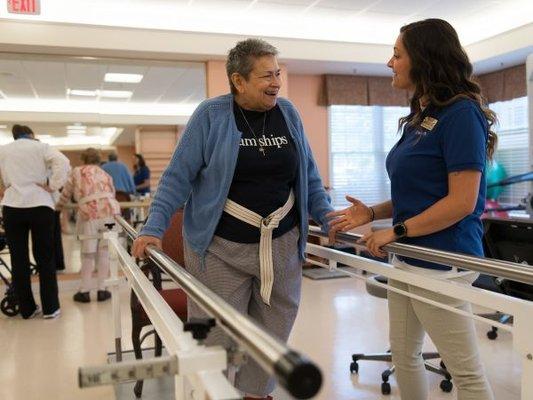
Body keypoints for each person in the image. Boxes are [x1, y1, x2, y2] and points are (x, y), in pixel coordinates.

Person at [132, 38, 333, 400]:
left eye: (277, 74)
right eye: (265, 76)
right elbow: (177, 179)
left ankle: (256, 394)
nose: (275, 82)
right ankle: (214, 393)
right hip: (219, 248)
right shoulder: (210, 116)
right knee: (214, 337)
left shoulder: (288, 113)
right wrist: (152, 229)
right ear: (238, 81)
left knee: (272, 335)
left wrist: (328, 217)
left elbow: (308, 176)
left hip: (281, 245)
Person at [328, 19, 496, 400]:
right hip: (411, 256)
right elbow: (417, 193)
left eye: (397, 54)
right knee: (405, 356)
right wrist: (372, 214)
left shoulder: (462, 114)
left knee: (465, 372)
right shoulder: (421, 116)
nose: (390, 62)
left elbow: (460, 201)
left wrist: (395, 231)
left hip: (444, 261)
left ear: (423, 59)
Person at [0, 124, 70, 319]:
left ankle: (27, 309)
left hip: (12, 207)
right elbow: (63, 161)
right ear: (30, 135)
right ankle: (50, 308)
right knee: (45, 258)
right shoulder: (40, 147)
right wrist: (53, 184)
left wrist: (6, 187)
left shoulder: (4, 150)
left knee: (18, 259)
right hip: (40, 205)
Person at [56, 148, 120, 303]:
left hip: (89, 214)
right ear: (98, 159)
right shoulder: (105, 173)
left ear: (83, 158)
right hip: (110, 212)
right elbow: (112, 193)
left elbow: (66, 193)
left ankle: (84, 291)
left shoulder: (77, 171)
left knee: (88, 254)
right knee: (105, 252)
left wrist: (57, 208)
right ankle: (102, 290)